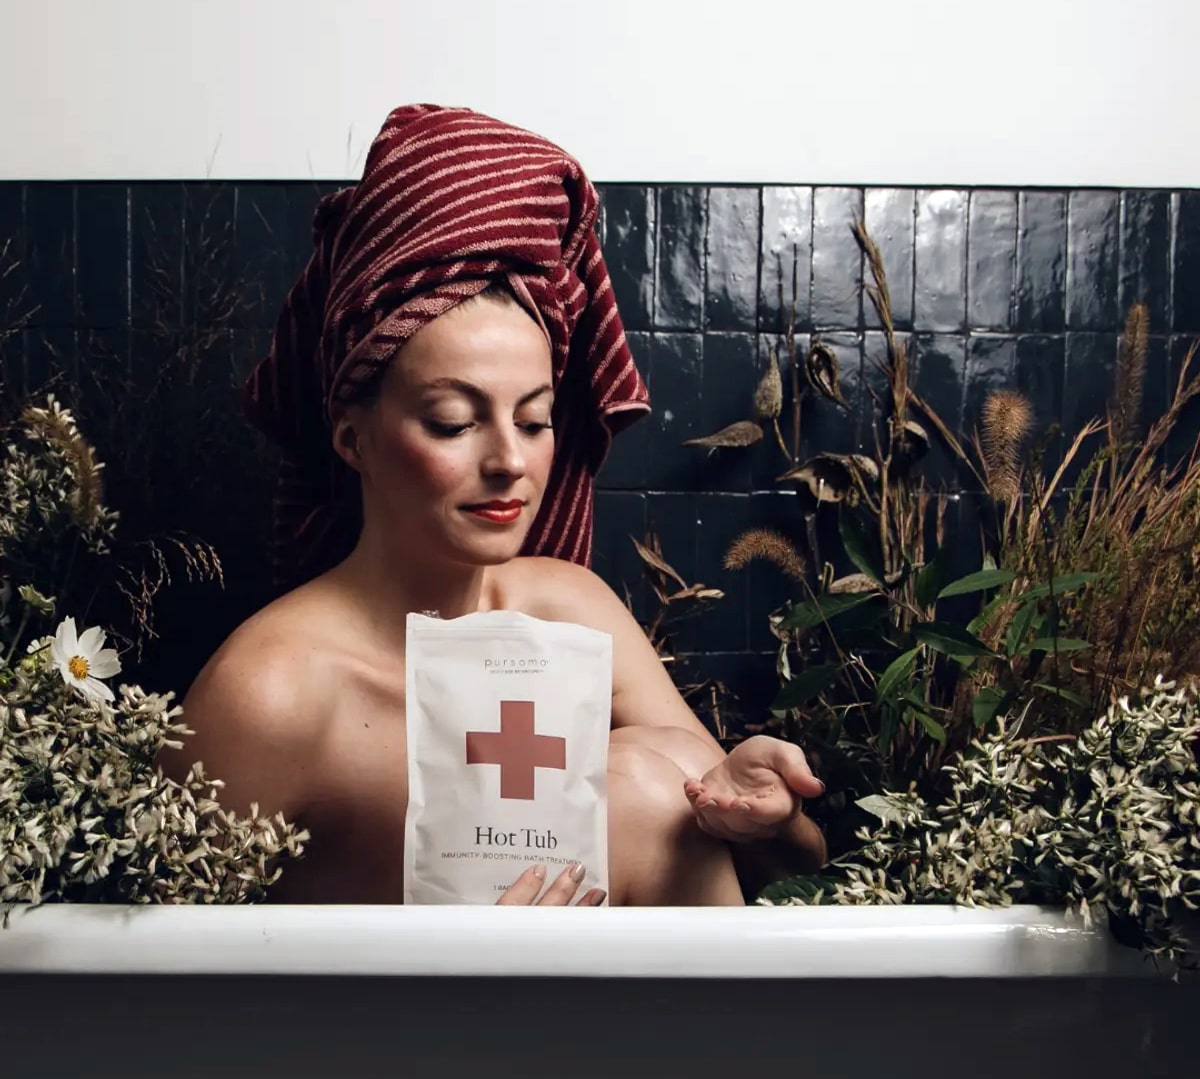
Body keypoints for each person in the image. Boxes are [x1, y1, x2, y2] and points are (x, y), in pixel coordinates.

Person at [160, 105, 826, 906]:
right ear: (351, 438)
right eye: (453, 421)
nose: (510, 461)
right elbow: (162, 1000)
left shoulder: (573, 613)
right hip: (410, 1036)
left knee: (648, 785)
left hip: (679, 1030)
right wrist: (467, 981)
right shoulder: (271, 695)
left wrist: (767, 813)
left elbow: (783, 872)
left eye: (536, 418)